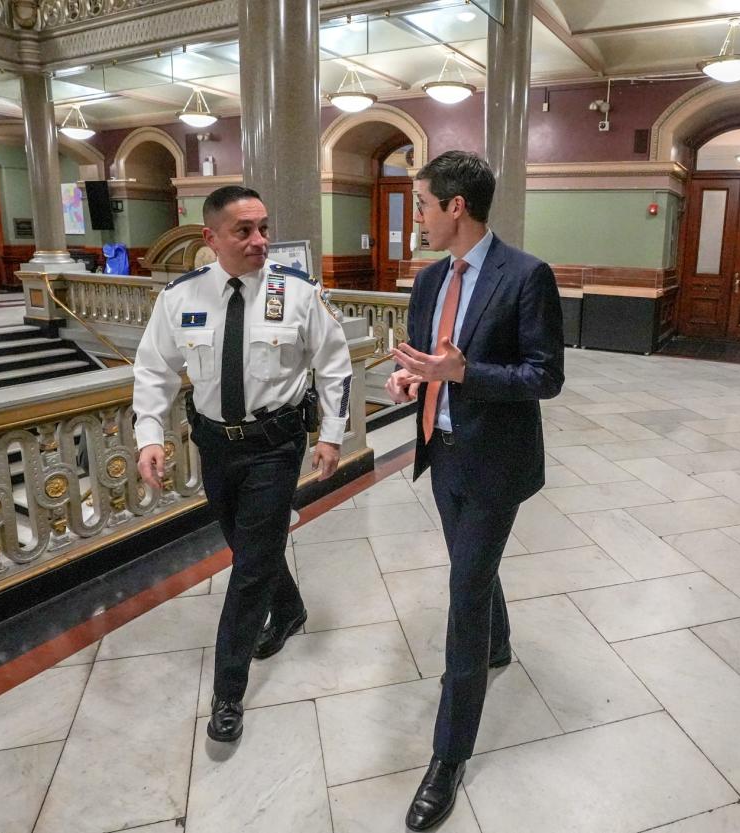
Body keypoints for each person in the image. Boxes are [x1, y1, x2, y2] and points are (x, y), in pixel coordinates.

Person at [133, 185, 352, 743]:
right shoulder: (180, 297)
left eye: (263, 228)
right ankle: (292, 609)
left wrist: (330, 434)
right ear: (211, 238)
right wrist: (149, 435)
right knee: (248, 544)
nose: (259, 241)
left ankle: (228, 689)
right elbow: (154, 370)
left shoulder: (297, 293)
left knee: (250, 564)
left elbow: (333, 364)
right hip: (215, 445)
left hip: (276, 445)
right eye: (244, 231)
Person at [386, 151, 564, 831]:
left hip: (496, 462)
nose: (418, 218)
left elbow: (544, 377)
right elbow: (420, 356)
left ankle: (447, 756)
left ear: (456, 206)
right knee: (472, 563)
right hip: (443, 452)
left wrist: (465, 373)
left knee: (463, 592)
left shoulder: (526, 276)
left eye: (423, 204)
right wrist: (413, 380)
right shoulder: (429, 280)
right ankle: (501, 642)